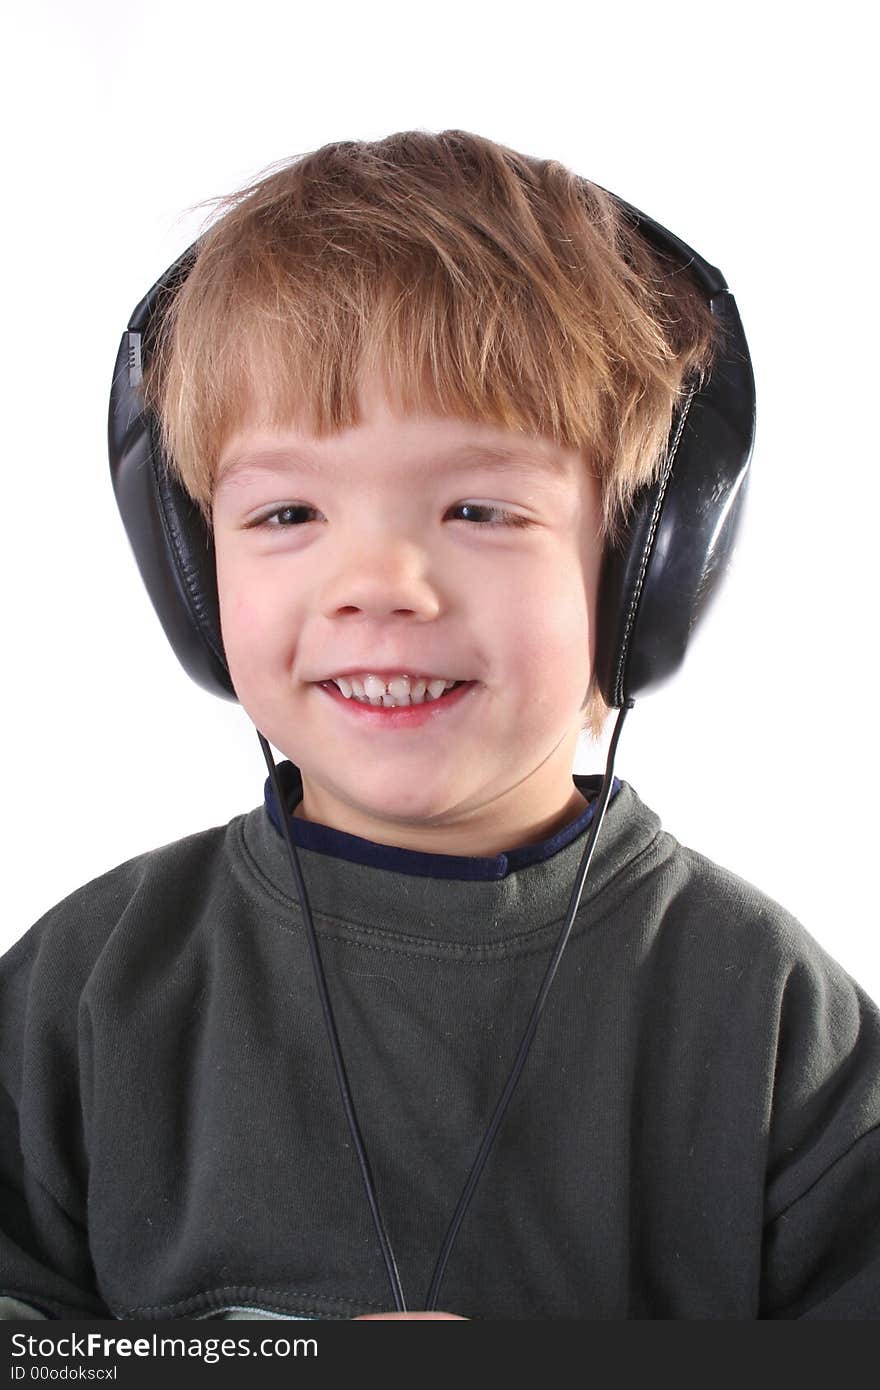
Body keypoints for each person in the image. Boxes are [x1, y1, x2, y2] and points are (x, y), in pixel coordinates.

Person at [1, 129, 878, 1322]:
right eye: (288, 510)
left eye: (476, 506)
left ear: (639, 569)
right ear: (191, 575)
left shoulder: (768, 1015)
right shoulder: (88, 989)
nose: (380, 583)